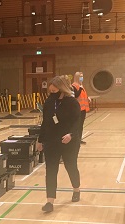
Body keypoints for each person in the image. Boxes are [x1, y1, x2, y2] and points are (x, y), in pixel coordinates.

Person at [36, 76, 81, 213]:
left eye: (54, 88)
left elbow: (78, 122)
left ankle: (76, 189)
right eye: (50, 88)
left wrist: (71, 135)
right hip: (52, 140)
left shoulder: (72, 102)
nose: (51, 90)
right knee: (51, 170)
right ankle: (50, 201)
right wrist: (40, 140)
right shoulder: (49, 102)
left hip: (68, 140)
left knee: (70, 166)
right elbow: (45, 122)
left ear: (61, 87)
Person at [72, 72, 90, 145]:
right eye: (80, 77)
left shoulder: (81, 86)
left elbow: (82, 96)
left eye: (82, 77)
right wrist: (80, 89)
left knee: (81, 125)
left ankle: (79, 138)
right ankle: (76, 139)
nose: (81, 78)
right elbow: (76, 95)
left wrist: (87, 98)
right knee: (77, 125)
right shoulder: (74, 86)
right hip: (77, 109)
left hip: (83, 109)